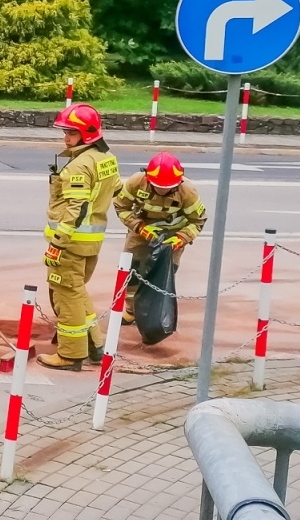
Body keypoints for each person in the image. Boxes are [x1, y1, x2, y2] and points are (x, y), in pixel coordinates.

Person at [39, 103, 122, 371]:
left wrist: (57, 243)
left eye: (71, 133)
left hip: (70, 244)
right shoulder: (105, 159)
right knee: (77, 291)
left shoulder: (79, 165)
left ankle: (70, 354)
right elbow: (117, 190)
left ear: (86, 134)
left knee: (67, 297)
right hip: (90, 242)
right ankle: (95, 346)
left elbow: (76, 208)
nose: (65, 137)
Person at [113, 152, 206, 324]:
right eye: (158, 186)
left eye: (168, 187)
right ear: (148, 178)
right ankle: (131, 310)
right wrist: (139, 227)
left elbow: (197, 221)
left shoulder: (187, 191)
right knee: (131, 270)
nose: (163, 189)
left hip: (172, 236)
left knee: (162, 276)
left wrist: (181, 238)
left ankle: (155, 315)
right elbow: (121, 206)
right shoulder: (136, 182)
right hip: (141, 231)